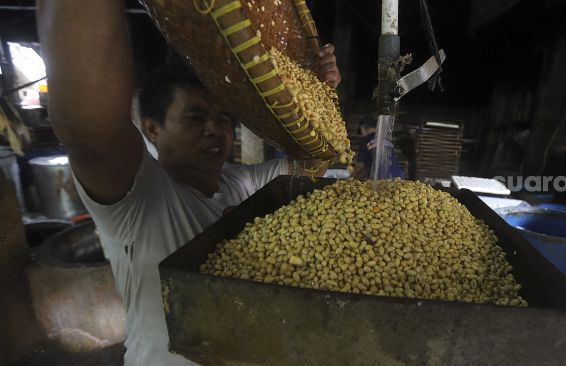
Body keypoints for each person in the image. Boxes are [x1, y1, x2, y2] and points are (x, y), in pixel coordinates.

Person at [37, 1, 341, 365]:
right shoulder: (139, 197)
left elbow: (315, 162)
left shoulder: (244, 185)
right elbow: (91, 133)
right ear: (152, 129)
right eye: (195, 116)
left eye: (223, 118)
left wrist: (320, 96)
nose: (215, 128)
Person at [352, 116, 404, 180]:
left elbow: (360, 165)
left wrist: (350, 178)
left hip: (381, 180)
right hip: (399, 178)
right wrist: (358, 178)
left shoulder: (365, 140)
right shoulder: (385, 139)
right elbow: (368, 168)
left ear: (362, 128)